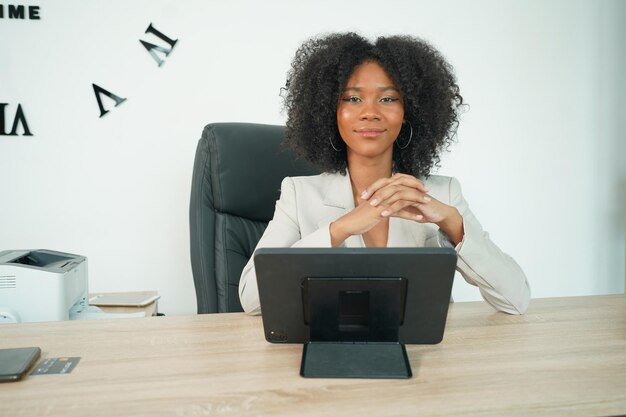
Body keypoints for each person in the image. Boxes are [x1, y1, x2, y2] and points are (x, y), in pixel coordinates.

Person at [238, 33, 530, 316]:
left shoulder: (443, 194)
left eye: (388, 99)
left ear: (409, 112)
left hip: (425, 357)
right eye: (353, 99)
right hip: (330, 350)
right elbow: (252, 298)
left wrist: (453, 223)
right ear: (329, 111)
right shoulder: (299, 195)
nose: (370, 112)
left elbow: (516, 299)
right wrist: (340, 229)